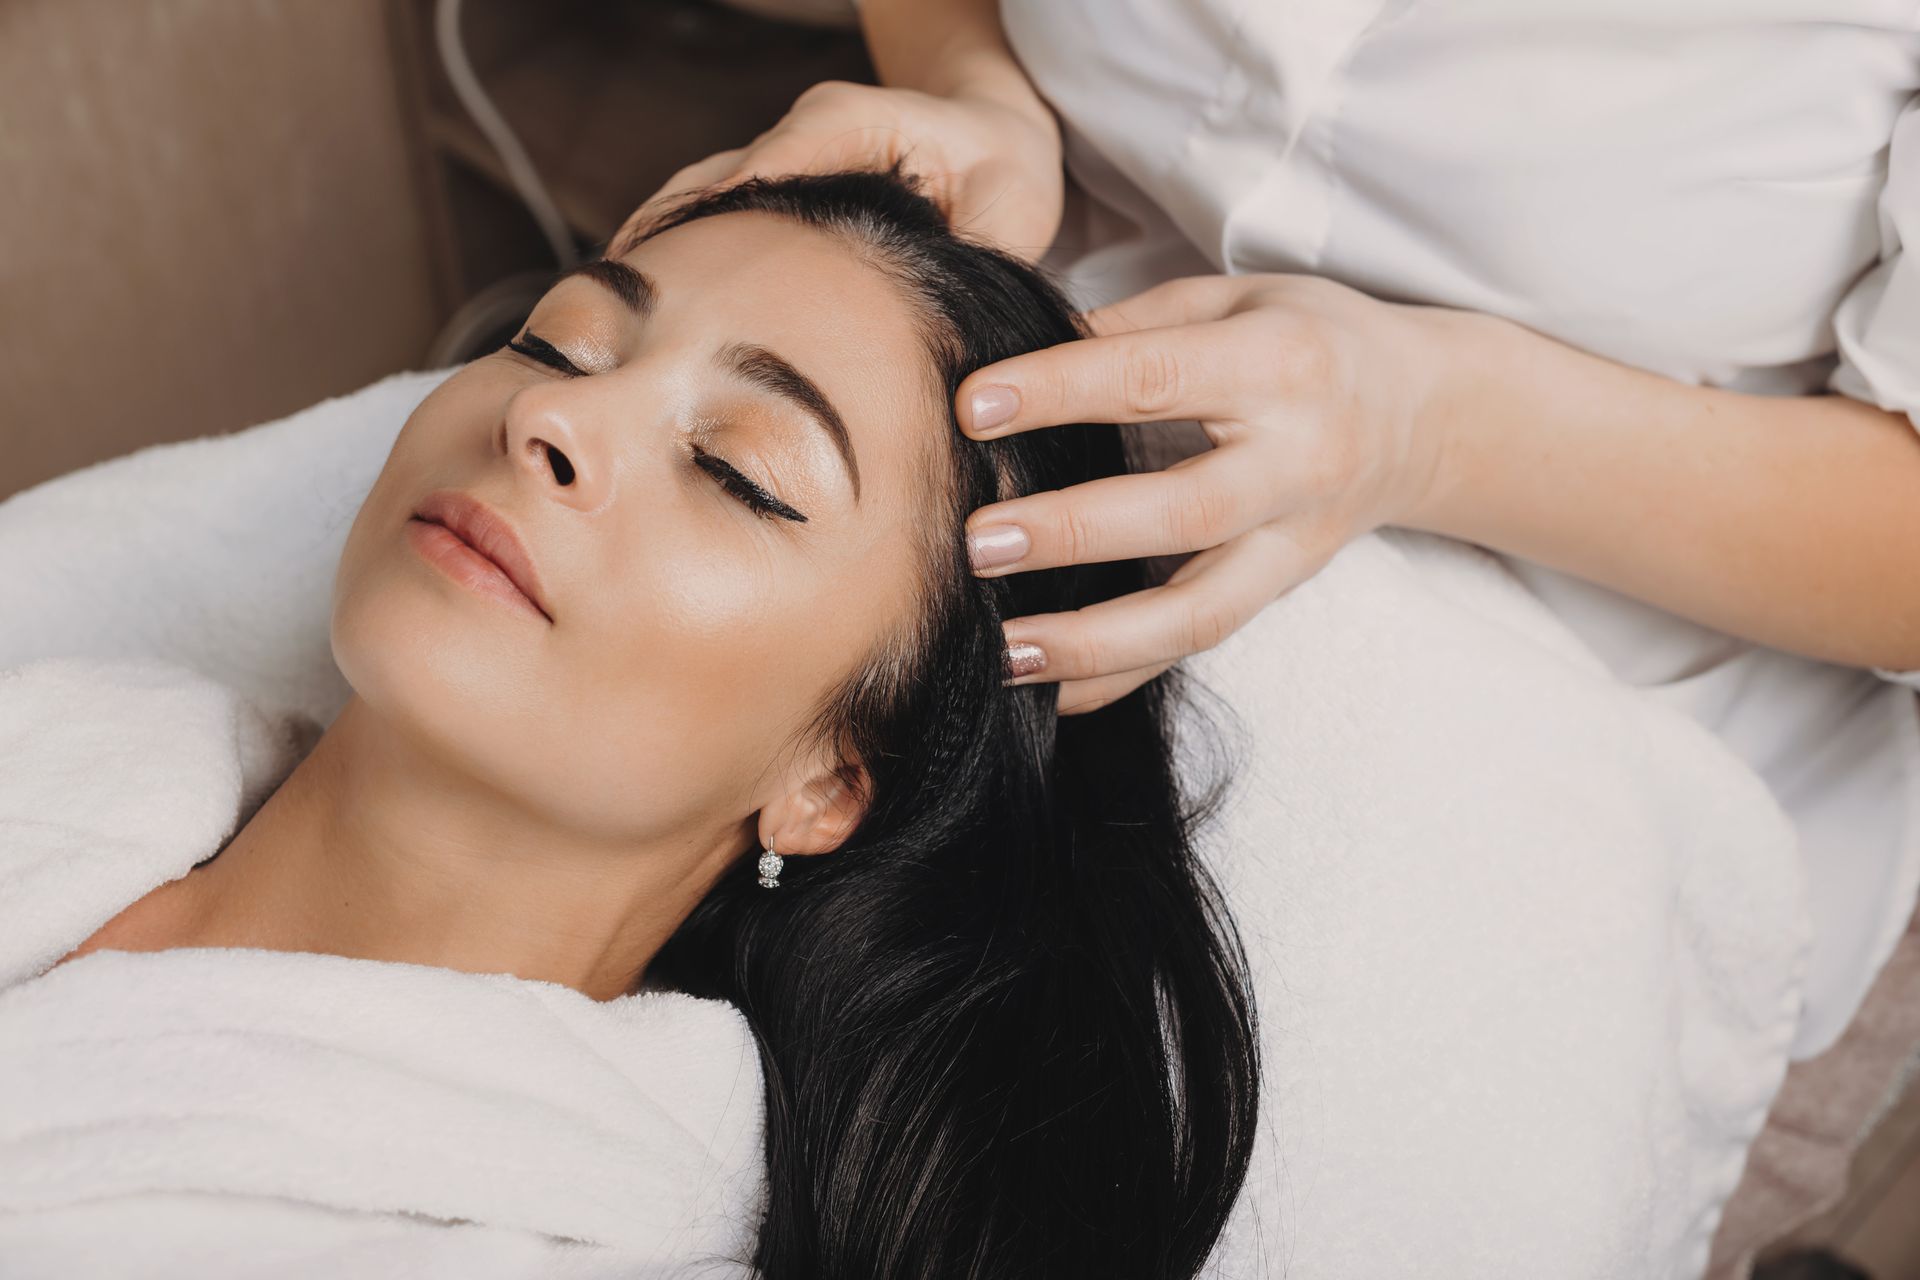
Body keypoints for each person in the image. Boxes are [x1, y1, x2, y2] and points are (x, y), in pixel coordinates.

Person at [634, 0, 1920, 1062]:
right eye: (560, 348)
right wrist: (984, 92)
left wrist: (1425, 425)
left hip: (1606, 752)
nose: (556, 425)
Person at [47, 168, 1260, 1279]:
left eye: (737, 471)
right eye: (559, 345)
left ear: (835, 779)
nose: (553, 424)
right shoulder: (63, 750)